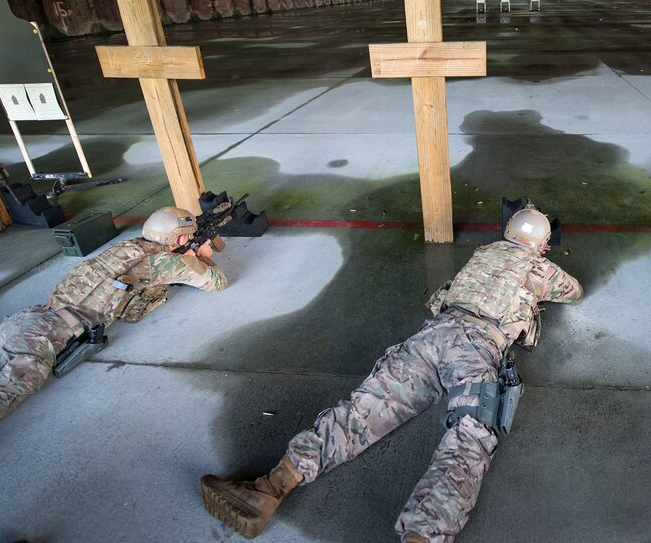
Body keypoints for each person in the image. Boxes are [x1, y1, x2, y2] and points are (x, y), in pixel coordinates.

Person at [200, 202, 582, 542]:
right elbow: (574, 291)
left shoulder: (483, 254)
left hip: (433, 335)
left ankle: (268, 489)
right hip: (477, 347)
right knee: (471, 435)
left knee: (366, 408)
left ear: (507, 233)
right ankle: (423, 535)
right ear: (543, 245)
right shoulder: (539, 268)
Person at [0, 206, 228, 540]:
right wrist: (203, 254)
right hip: (43, 341)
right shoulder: (165, 262)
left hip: (25, 320)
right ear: (180, 239)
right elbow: (216, 283)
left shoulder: (129, 248)